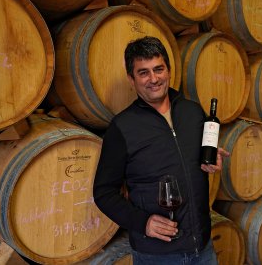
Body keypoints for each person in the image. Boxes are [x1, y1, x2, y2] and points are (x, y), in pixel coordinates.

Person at [93, 36, 229, 265]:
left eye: (158, 69)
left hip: (202, 247)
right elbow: (103, 193)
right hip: (157, 255)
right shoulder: (122, 127)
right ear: (131, 79)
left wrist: (211, 159)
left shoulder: (193, 113)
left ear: (168, 70)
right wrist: (142, 222)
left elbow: (195, 161)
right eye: (143, 72)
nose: (153, 79)